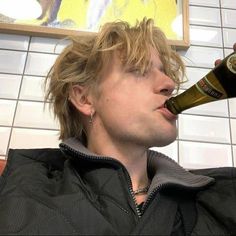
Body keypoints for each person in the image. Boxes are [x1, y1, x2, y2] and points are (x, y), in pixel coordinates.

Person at [0, 18, 236, 235]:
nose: (169, 84)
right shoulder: (20, 193)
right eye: (138, 70)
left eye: (163, 72)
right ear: (85, 99)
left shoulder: (223, 193)